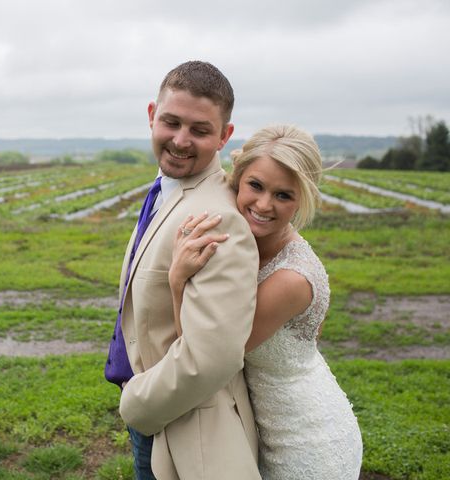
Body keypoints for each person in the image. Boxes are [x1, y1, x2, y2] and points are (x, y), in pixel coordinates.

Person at [169, 124, 363, 480]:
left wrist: (177, 281)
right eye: (256, 186)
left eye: (283, 195)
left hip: (306, 444)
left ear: (301, 199)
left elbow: (207, 356)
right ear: (238, 180)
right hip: (262, 430)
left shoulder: (291, 278)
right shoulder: (244, 242)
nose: (263, 205)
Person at [105, 61, 262, 479]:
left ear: (225, 137)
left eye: (199, 130)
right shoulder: (170, 189)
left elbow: (212, 357)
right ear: (152, 114)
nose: (180, 140)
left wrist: (137, 405)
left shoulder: (216, 219)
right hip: (159, 414)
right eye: (171, 122)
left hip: (179, 425)